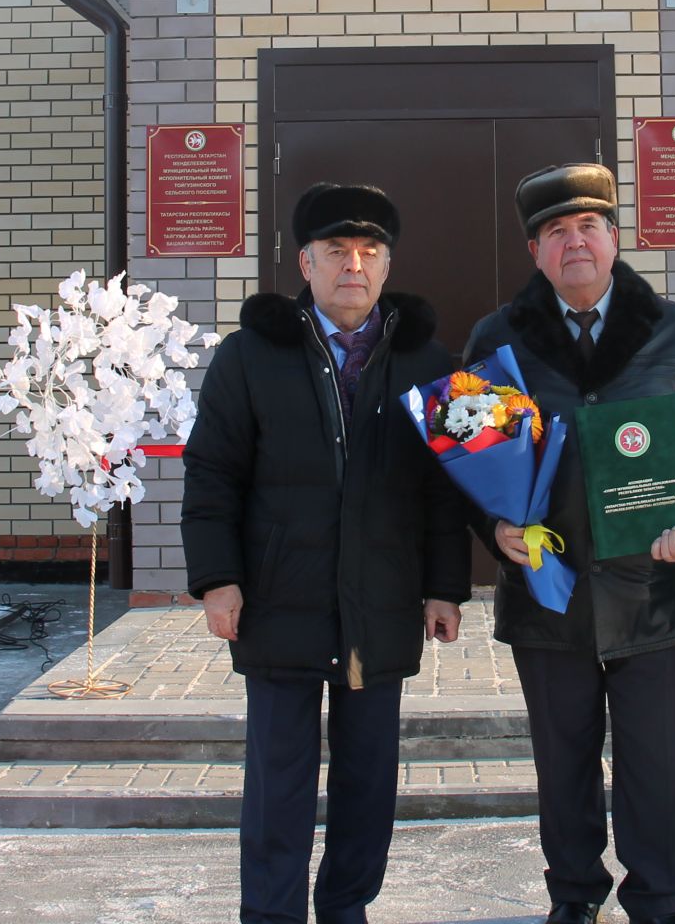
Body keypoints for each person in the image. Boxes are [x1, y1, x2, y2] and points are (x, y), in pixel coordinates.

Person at [182, 183, 470, 924]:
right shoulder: (250, 358)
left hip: (380, 604)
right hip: (281, 601)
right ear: (304, 264)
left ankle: (346, 908)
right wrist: (219, 579)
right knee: (278, 785)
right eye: (337, 252)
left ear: (387, 266)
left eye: (370, 252)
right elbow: (213, 473)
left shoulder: (428, 364)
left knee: (368, 782)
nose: (354, 266)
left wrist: (444, 586)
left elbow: (444, 488)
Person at [463, 162, 675, 924]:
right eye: (556, 232)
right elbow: (466, 459)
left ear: (615, 239)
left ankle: (659, 898)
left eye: (588, 227)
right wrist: (493, 528)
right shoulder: (497, 338)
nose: (573, 243)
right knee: (564, 759)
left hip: (649, 585)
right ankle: (574, 896)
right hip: (548, 589)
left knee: (655, 761)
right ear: (534, 252)